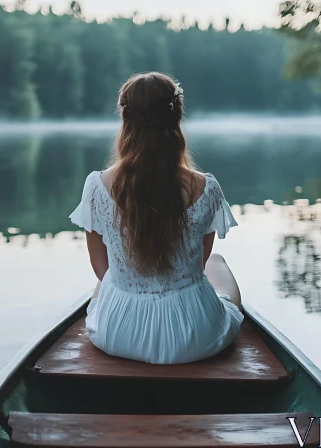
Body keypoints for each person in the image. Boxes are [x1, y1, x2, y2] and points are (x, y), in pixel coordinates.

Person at [69, 72, 243, 365]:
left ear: (126, 119)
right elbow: (199, 263)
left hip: (118, 336)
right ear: (176, 118)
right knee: (217, 264)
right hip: (194, 337)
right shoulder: (205, 187)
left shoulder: (98, 186)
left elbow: (101, 269)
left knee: (109, 279)